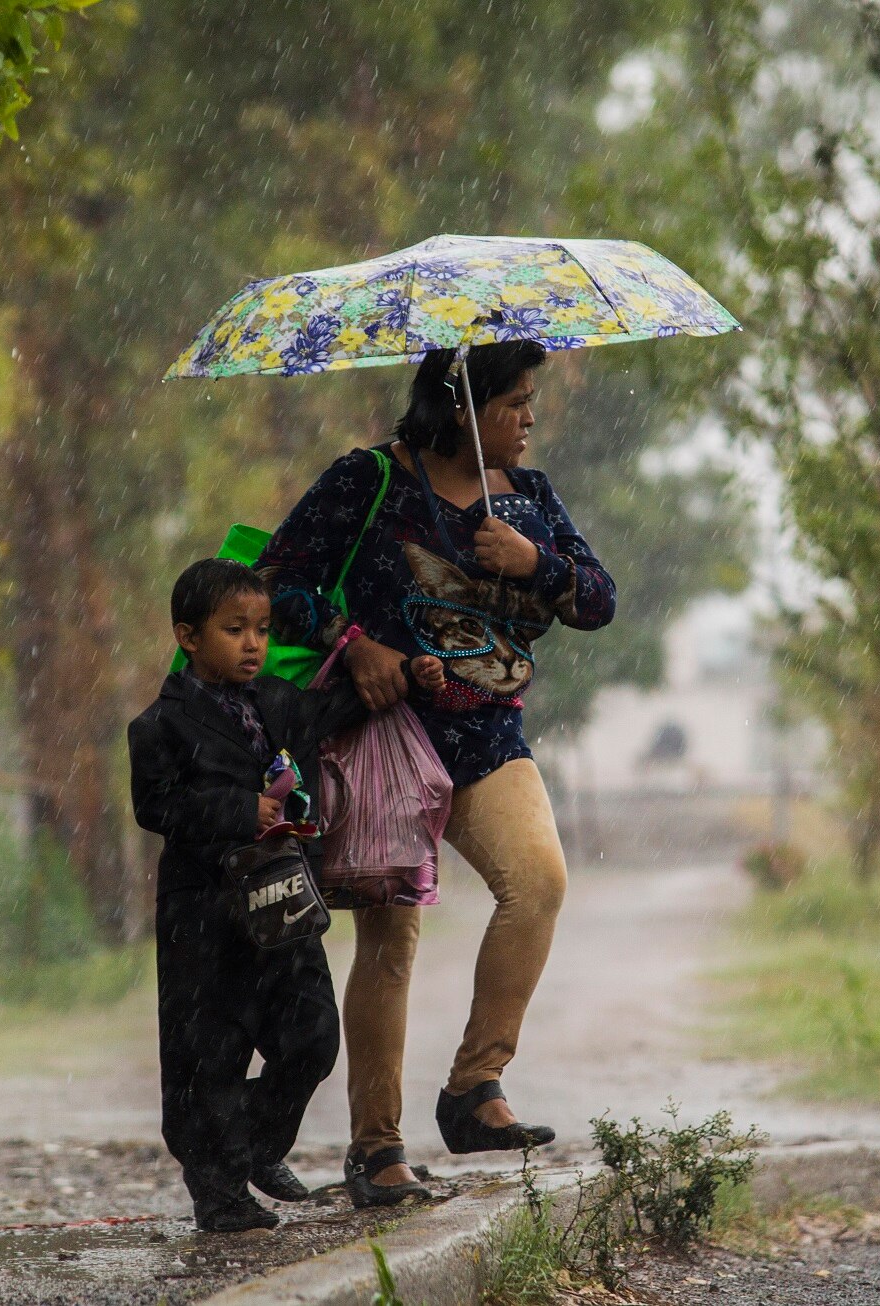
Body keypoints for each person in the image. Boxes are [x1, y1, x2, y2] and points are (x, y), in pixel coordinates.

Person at [257, 340, 617, 1207]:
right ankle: (375, 1151)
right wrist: (357, 644)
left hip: (489, 734)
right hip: (389, 736)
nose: (530, 418)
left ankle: (471, 1090)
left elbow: (597, 600)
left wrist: (536, 564)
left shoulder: (526, 501)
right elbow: (274, 582)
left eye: (531, 402)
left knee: (537, 885)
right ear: (463, 406)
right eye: (515, 403)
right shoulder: (369, 481)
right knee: (390, 943)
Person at [127, 558, 441, 1230]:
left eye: (262, 630)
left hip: (284, 903)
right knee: (208, 1051)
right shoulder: (159, 726)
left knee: (312, 1036)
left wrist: (408, 677)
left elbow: (337, 706)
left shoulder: (276, 702)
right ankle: (219, 1195)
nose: (253, 643)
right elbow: (156, 807)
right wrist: (241, 811)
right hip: (205, 915)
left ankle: (252, 1146)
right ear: (188, 637)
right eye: (234, 629)